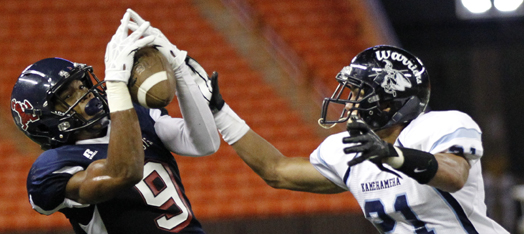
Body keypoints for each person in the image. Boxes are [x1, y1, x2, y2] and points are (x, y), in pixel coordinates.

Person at [201, 45, 509, 233]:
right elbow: (276, 171)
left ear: (389, 103)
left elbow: (455, 175)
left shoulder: (439, 126)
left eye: (359, 94)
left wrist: (392, 156)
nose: (348, 103)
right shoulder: (348, 151)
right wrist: (220, 113)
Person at [10, 9, 219, 233]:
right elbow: (123, 173)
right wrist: (118, 87)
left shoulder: (135, 115)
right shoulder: (52, 168)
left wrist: (179, 72)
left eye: (83, 85)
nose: (86, 93)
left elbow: (204, 143)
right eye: (69, 95)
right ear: (45, 121)